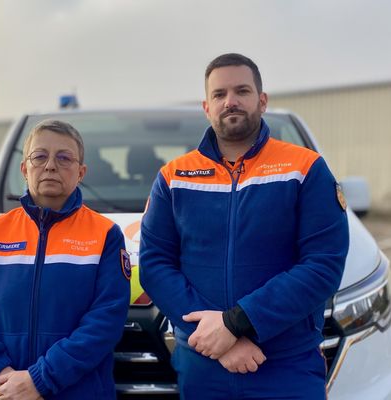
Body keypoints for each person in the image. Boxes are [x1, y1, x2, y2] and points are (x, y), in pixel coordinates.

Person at [139, 53, 349, 399]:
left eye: (242, 91)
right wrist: (218, 340)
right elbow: (155, 265)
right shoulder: (173, 177)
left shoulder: (304, 169)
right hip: (204, 365)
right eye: (219, 94)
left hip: (285, 364)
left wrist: (236, 323)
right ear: (206, 107)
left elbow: (322, 265)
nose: (230, 101)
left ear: (262, 101)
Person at [0, 120, 131, 400]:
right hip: (1, 391)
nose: (50, 166)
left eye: (64, 158)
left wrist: (39, 380)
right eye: (39, 156)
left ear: (81, 172)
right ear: (24, 168)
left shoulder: (105, 235)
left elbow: (105, 321)